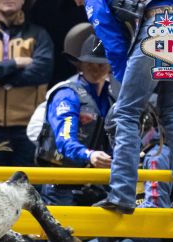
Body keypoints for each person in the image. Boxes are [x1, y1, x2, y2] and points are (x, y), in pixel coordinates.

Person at [86, 0, 173, 214]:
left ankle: (122, 195)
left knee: (126, 112)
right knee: (170, 112)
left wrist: (126, 84)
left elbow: (111, 39)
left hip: (159, 24)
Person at [35, 26, 115, 206]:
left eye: (101, 64)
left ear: (109, 66)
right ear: (80, 64)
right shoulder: (68, 95)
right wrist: (89, 155)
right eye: (89, 63)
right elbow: (64, 140)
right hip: (61, 183)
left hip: (94, 183)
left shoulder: (110, 99)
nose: (95, 69)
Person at [0, 0, 53, 167]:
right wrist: (16, 63)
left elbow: (41, 73)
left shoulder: (39, 35)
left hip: (28, 128)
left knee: (29, 187)